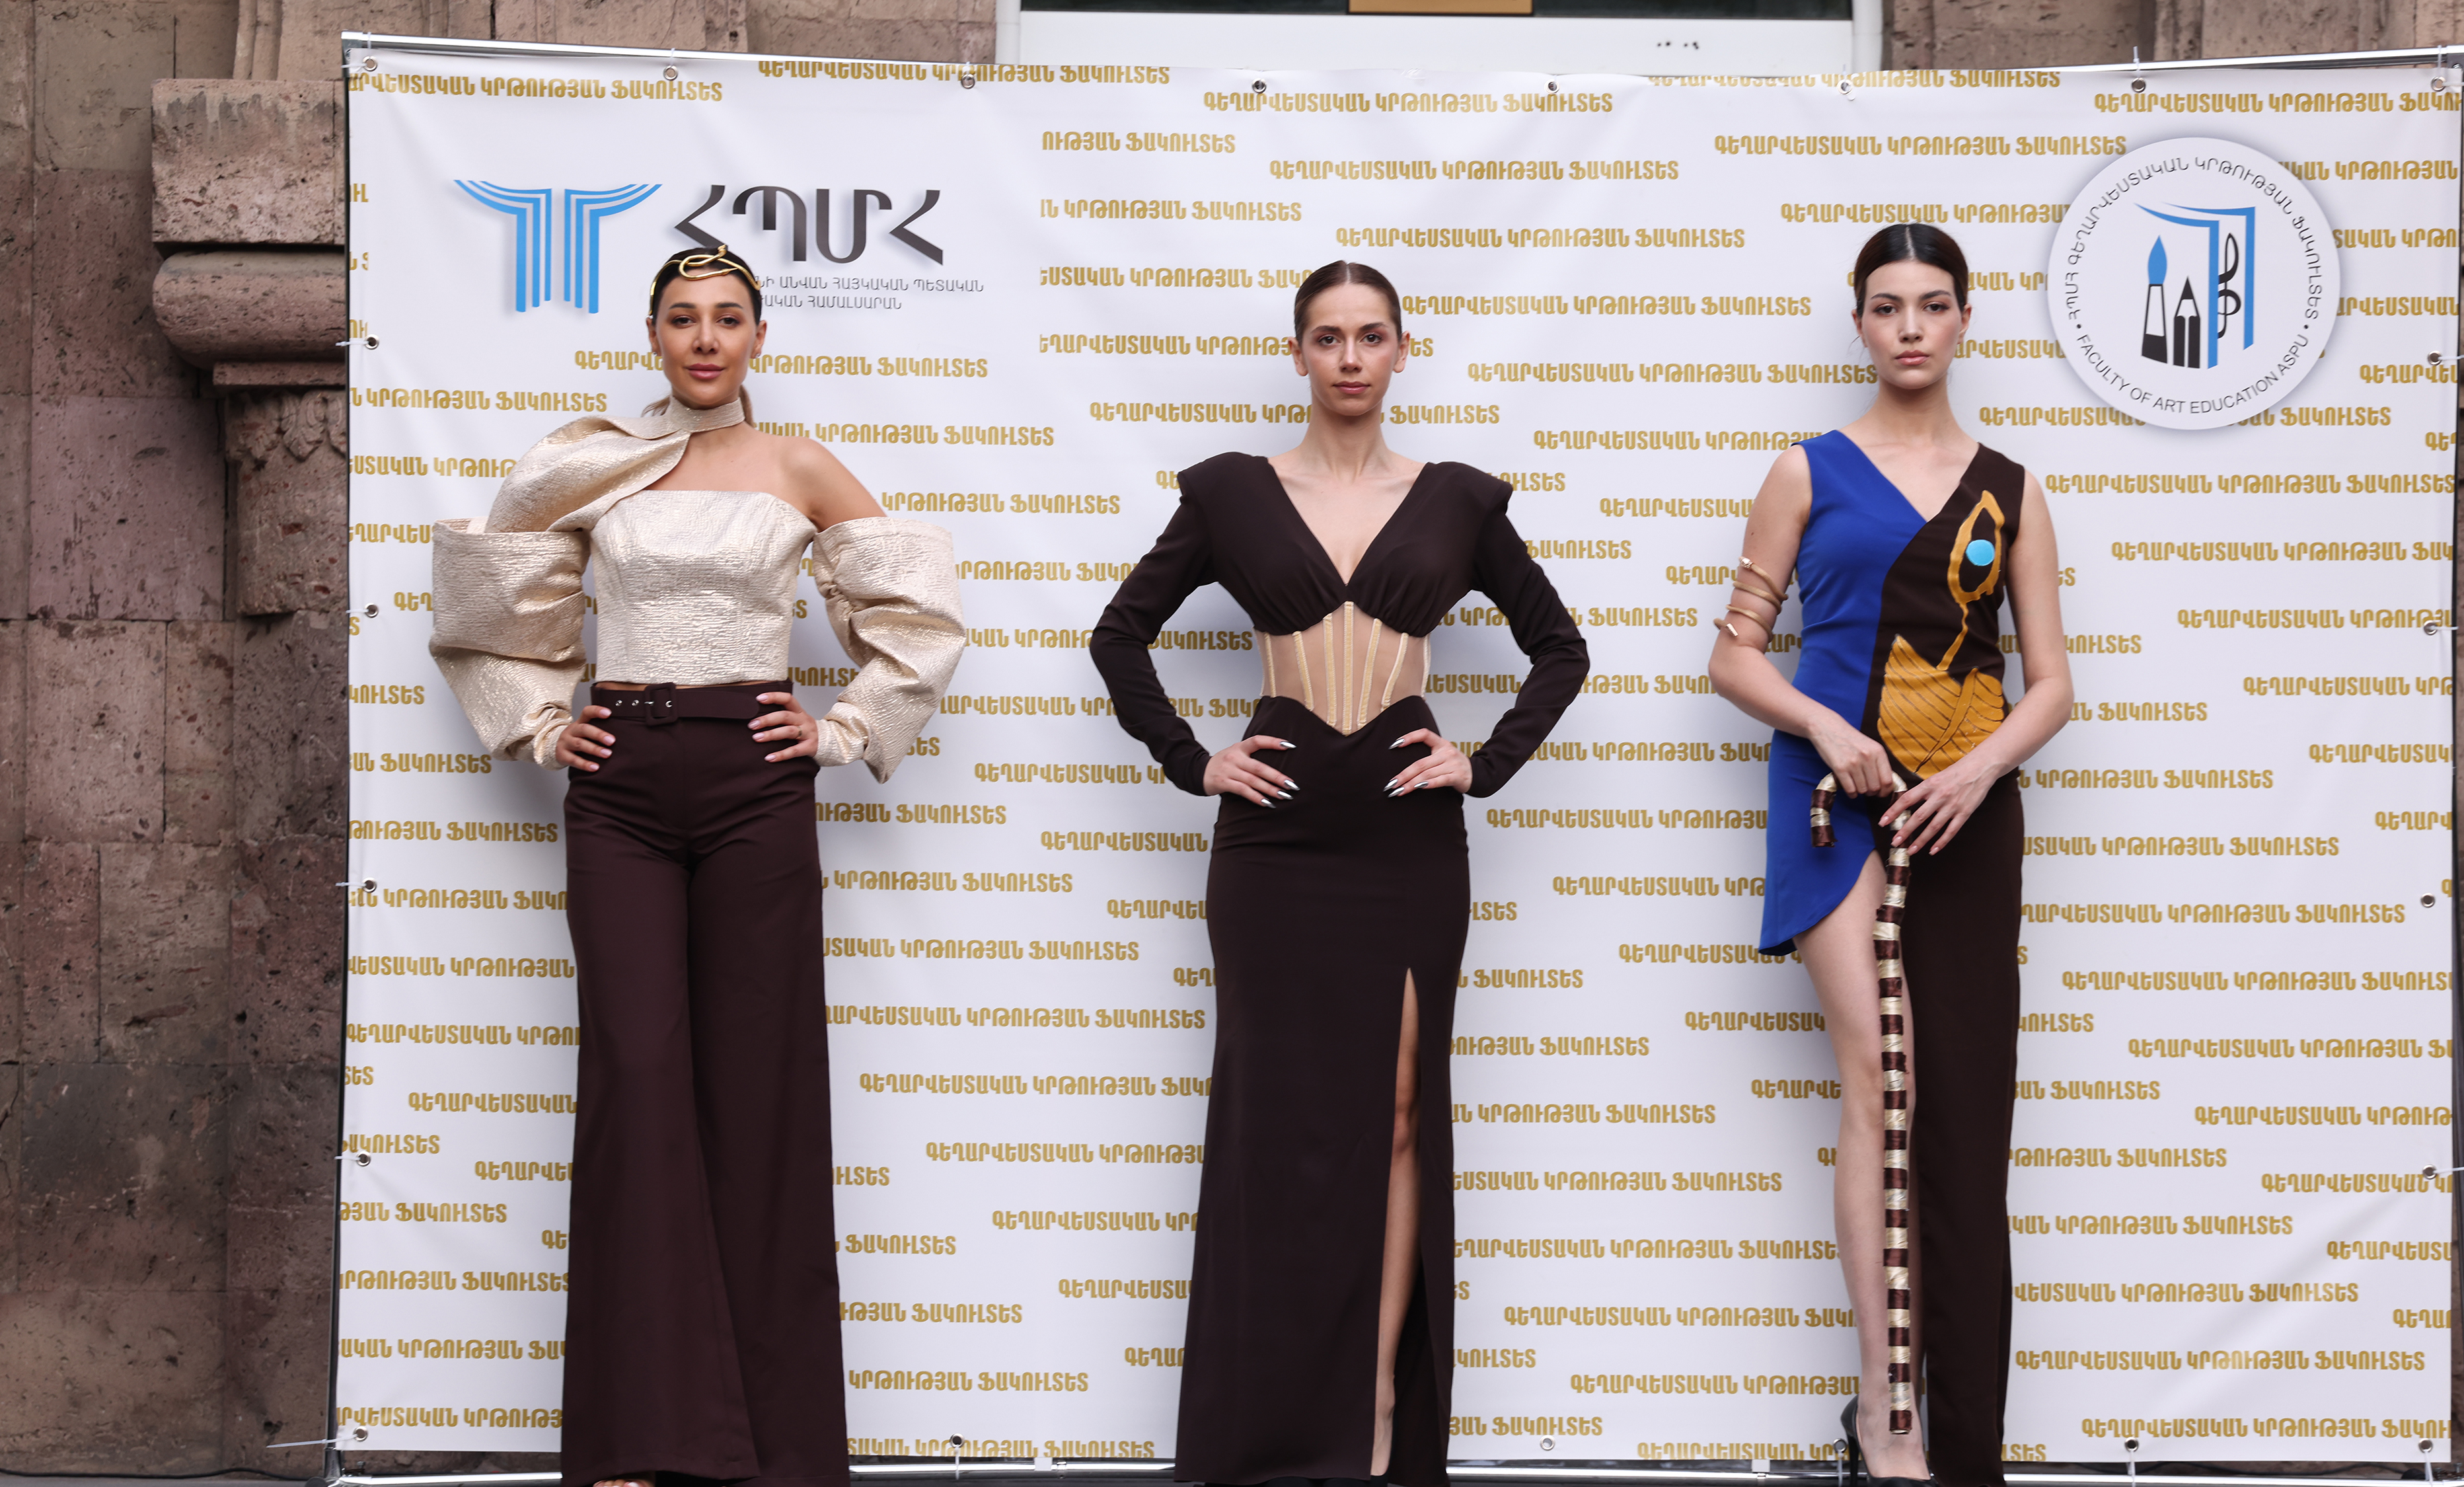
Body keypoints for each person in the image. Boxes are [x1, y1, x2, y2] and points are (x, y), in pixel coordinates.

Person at [426, 245, 966, 1487]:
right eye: (684, 318)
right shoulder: (596, 463)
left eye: (729, 318)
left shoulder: (799, 464)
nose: (707, 338)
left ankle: (776, 1448)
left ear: (761, 336)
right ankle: (639, 1434)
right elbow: (487, 596)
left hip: (752, 785)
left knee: (761, 1092)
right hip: (619, 785)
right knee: (635, 1075)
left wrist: (843, 729)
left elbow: (920, 611)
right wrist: (543, 723)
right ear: (654, 335)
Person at [1090, 260, 1588, 1487]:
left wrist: (1484, 761)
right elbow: (1118, 634)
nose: (1352, 358)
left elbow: (1561, 648)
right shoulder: (1230, 492)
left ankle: (1373, 1408)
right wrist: (1193, 759)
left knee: (1403, 1111)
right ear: (1299, 353)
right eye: (1328, 337)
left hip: (1407, 836)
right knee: (1275, 1127)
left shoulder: (1459, 497)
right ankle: (1269, 1429)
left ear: (1403, 350)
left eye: (1372, 337)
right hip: (1277, 837)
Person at [1705, 223, 2072, 1487]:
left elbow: (2052, 684)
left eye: (1932, 304)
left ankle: (1956, 1419)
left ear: (1965, 319)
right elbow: (1733, 658)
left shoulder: (2013, 488)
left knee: (1960, 1107)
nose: (1910, 326)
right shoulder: (1804, 470)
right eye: (1885, 306)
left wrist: (1976, 773)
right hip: (1833, 804)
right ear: (1859, 324)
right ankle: (1886, 1408)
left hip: (1966, 811)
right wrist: (1824, 727)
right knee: (1884, 1079)